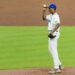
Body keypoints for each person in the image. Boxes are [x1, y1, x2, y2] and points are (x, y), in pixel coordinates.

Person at [42, 4, 64, 74]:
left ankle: (56, 68)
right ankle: (59, 64)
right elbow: (43, 18)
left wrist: (51, 32)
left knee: (54, 50)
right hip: (52, 33)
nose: (49, 9)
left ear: (54, 9)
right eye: (48, 8)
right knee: (50, 49)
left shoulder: (56, 16)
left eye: (50, 8)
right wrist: (43, 11)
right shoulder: (50, 16)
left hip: (54, 33)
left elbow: (58, 24)